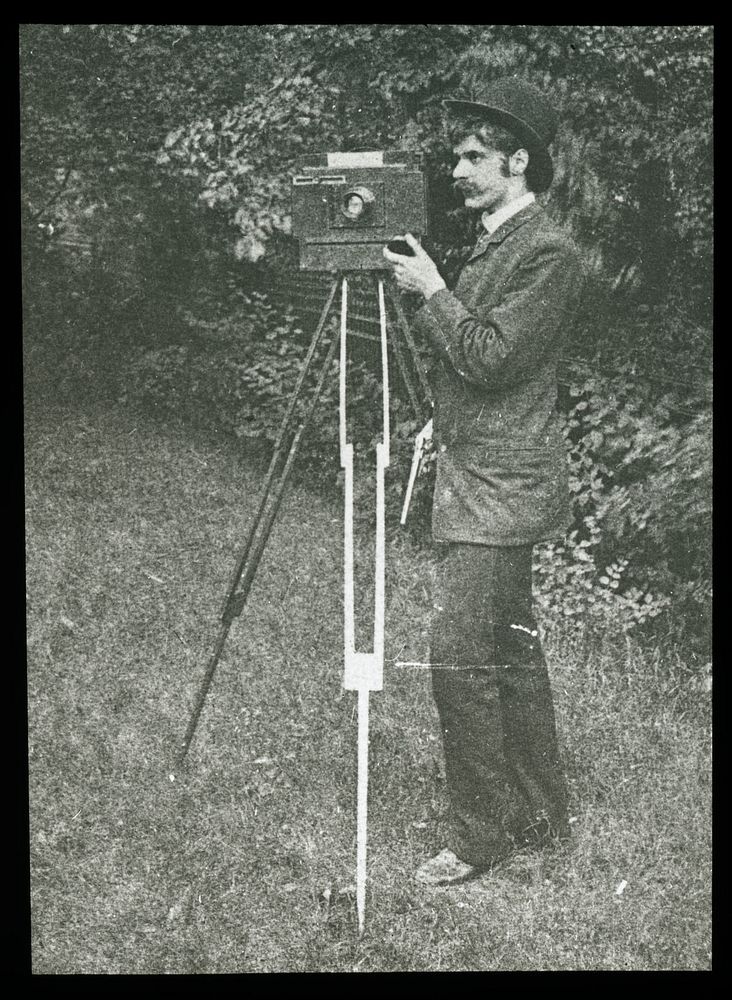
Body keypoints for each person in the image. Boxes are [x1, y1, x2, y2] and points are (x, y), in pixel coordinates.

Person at [383, 78, 585, 886]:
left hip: (500, 492)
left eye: (474, 157)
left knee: (461, 659)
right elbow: (483, 368)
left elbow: (493, 357)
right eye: (458, 157)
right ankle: (540, 818)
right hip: (483, 475)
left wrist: (433, 291)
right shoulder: (499, 240)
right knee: (508, 655)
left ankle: (479, 840)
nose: (458, 171)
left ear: (518, 161)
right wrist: (444, 417)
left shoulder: (547, 251)